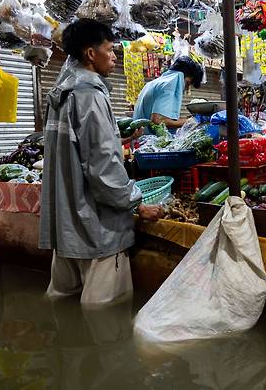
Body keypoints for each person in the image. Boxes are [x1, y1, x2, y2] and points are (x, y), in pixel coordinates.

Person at [40, 19, 163, 306]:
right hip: (97, 229)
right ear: (90, 54)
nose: (115, 56)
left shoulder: (61, 91)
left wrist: (115, 134)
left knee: (62, 308)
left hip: (66, 226)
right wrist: (135, 202)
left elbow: (75, 147)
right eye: (110, 49)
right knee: (106, 320)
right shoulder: (90, 95)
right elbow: (103, 166)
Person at [133, 55, 204, 130]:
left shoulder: (154, 83)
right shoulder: (170, 84)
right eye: (187, 83)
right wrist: (191, 122)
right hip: (148, 139)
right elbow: (157, 121)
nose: (186, 88)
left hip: (140, 138)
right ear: (183, 76)